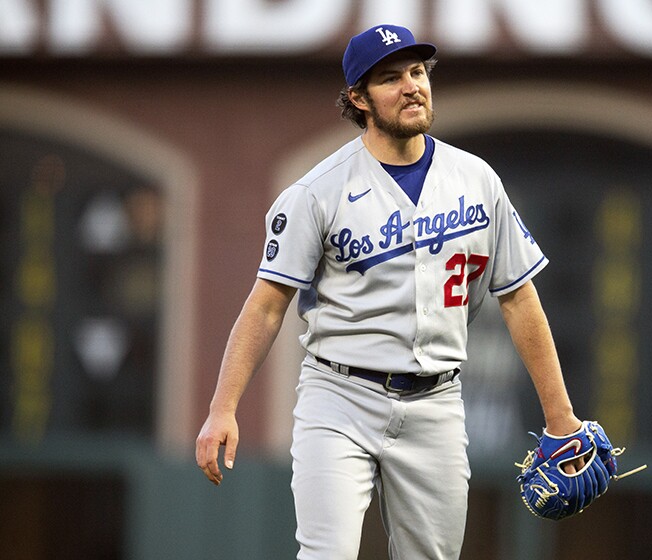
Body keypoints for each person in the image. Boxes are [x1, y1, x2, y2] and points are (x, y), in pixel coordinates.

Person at [196, 23, 583, 559]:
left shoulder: (476, 180)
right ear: (357, 97)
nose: (412, 86)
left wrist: (560, 418)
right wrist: (223, 407)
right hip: (339, 397)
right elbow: (266, 307)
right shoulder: (315, 193)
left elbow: (518, 298)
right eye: (390, 77)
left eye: (418, 71)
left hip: (438, 401)